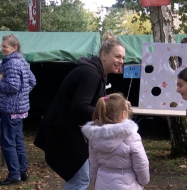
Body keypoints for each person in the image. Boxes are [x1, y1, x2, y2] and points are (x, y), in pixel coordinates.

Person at [34, 34, 126, 190]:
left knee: (79, 179)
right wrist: (109, 118)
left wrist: (118, 103)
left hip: (69, 133)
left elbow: (93, 101)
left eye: (123, 58)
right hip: (64, 134)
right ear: (103, 55)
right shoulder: (90, 74)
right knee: (80, 180)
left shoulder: (95, 72)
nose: (121, 61)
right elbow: (80, 107)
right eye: (117, 56)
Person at [81, 93, 150, 190]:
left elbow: (93, 163)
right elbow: (141, 163)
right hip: (128, 184)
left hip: (102, 183)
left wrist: (95, 180)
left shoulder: (94, 137)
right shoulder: (132, 136)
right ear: (123, 114)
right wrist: (143, 182)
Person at [0, 34, 36, 185]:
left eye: (5, 46)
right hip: (20, 109)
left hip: (10, 108)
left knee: (7, 141)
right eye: (1, 46)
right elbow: (32, 81)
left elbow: (13, 87)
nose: (2, 48)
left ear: (15, 48)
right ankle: (23, 171)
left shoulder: (12, 63)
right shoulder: (20, 61)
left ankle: (14, 175)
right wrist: (23, 96)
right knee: (18, 140)